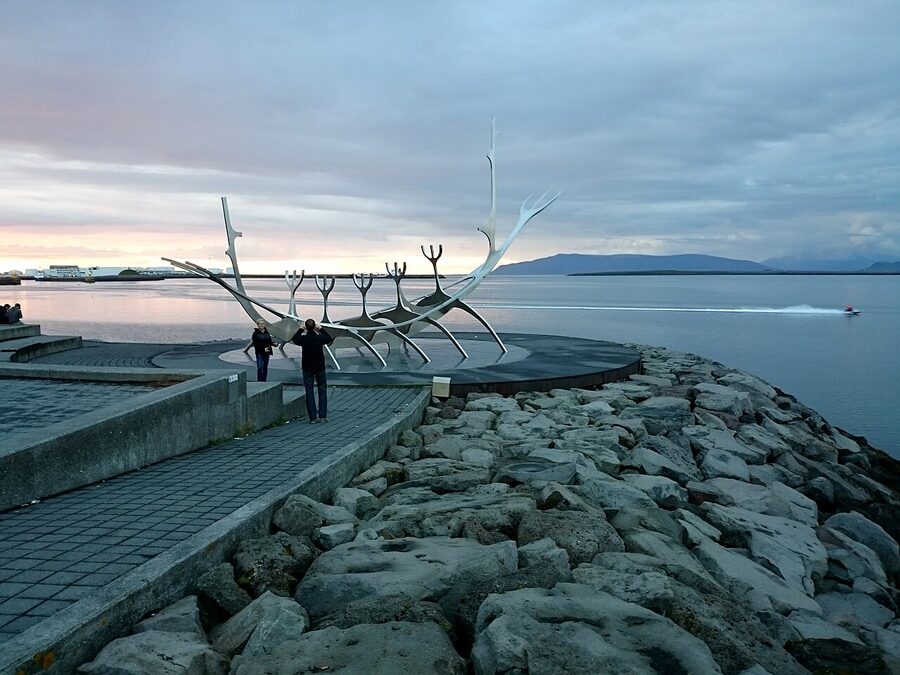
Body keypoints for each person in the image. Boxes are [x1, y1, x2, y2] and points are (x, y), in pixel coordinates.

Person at [293, 318, 334, 423]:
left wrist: (300, 329)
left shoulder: (303, 339)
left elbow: (294, 339)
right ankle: (323, 416)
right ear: (314, 326)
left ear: (306, 327)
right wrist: (321, 328)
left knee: (309, 391)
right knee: (322, 390)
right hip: (319, 366)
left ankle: (312, 418)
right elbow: (329, 338)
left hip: (307, 367)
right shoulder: (320, 338)